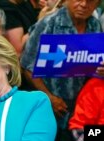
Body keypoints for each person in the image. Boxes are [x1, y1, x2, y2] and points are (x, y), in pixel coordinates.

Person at [20, 0, 102, 140]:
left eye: (90, 1)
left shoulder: (95, 25)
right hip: (49, 107)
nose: (83, 4)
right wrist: (49, 98)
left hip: (82, 110)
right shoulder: (48, 24)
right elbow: (26, 66)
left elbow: (95, 63)